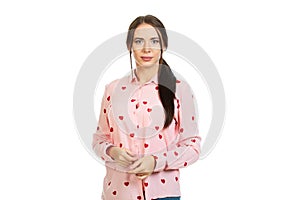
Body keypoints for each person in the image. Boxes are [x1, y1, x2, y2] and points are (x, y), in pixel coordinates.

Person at [92, 15, 201, 200]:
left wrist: (155, 162)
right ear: (129, 46)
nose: (146, 48)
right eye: (139, 41)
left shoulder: (180, 89)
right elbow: (99, 139)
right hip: (118, 193)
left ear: (164, 46)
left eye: (154, 41)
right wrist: (113, 151)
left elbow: (192, 146)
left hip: (163, 193)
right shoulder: (113, 89)